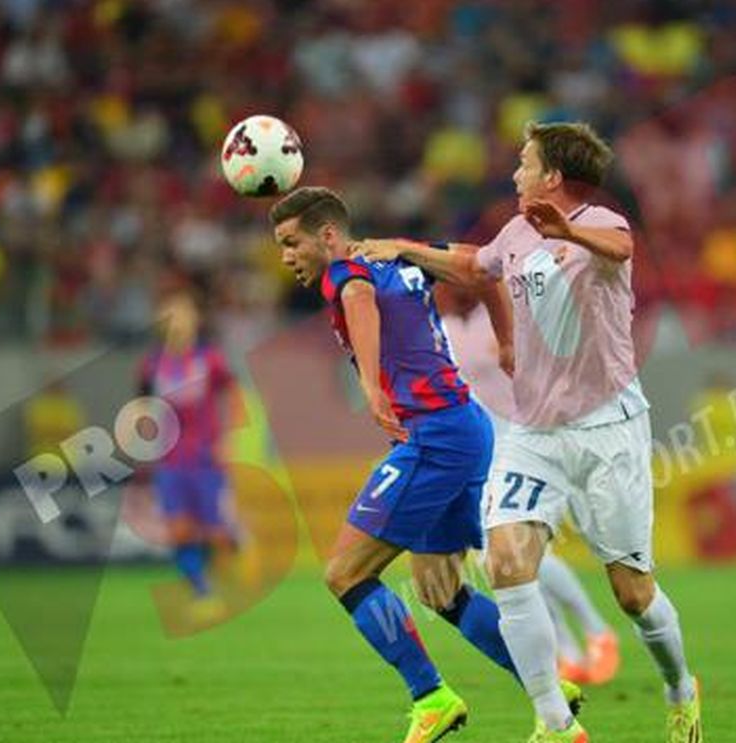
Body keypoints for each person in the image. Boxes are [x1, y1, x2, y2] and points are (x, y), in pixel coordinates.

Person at [358, 121, 701, 743]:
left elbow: (620, 249)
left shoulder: (603, 223)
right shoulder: (516, 231)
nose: (515, 173)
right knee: (508, 563)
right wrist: (404, 248)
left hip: (608, 431)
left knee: (632, 593)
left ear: (552, 176)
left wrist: (566, 232)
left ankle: (680, 689)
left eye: (525, 163)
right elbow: (475, 266)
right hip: (534, 433)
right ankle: (555, 722)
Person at [269, 187, 580, 743]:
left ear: (329, 235)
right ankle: (549, 691)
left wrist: (369, 386)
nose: (286, 256)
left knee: (345, 574)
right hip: (467, 427)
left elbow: (358, 297)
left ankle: (431, 696)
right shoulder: (404, 257)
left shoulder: (344, 271)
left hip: (433, 437)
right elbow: (483, 271)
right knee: (439, 590)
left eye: (292, 243)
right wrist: (507, 342)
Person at [436, 281, 622, 686]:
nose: (445, 290)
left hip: (528, 442)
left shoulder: (502, 317)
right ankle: (567, 652)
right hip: (482, 452)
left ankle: (595, 630)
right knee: (504, 561)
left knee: (522, 552)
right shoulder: (444, 329)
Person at [137, 288, 238, 620]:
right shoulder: (152, 364)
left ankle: (229, 546)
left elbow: (232, 394)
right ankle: (202, 590)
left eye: (183, 314)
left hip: (206, 456)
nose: (178, 322)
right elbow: (142, 406)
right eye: (171, 316)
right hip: (170, 459)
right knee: (179, 530)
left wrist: (228, 438)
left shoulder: (209, 359)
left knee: (214, 532)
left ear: (194, 321)